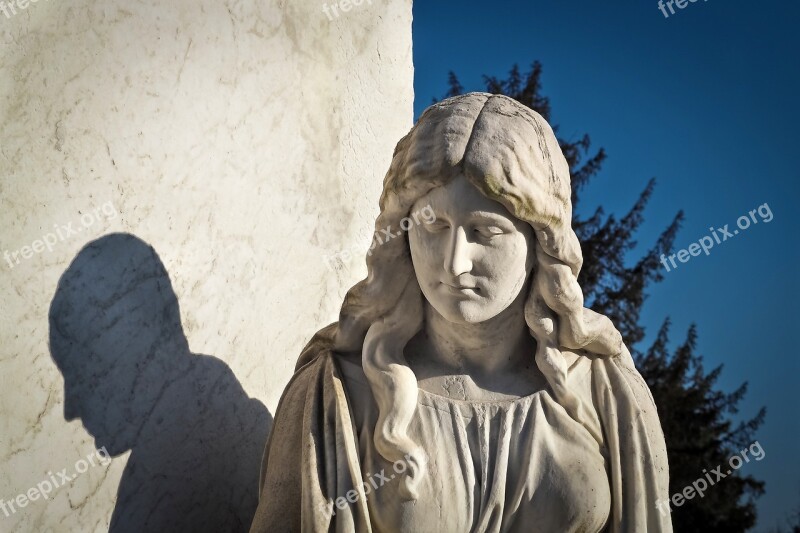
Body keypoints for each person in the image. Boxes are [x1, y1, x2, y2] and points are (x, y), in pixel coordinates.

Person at [250, 93, 672, 532]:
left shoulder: (608, 391)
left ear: (541, 243)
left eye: (485, 231)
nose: (455, 263)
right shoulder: (336, 391)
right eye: (434, 226)